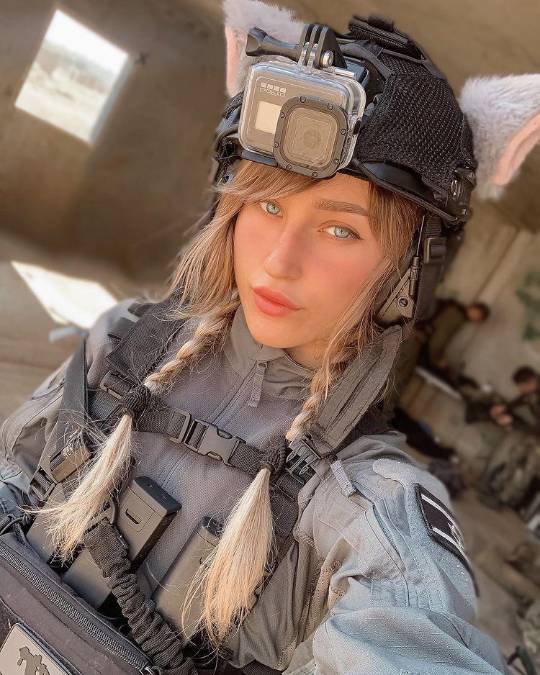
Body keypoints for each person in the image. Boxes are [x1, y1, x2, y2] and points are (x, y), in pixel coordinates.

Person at [1, 1, 539, 673]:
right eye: (269, 204)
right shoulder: (124, 342)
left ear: (407, 277)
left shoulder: (372, 507)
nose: (280, 260)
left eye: (340, 228)